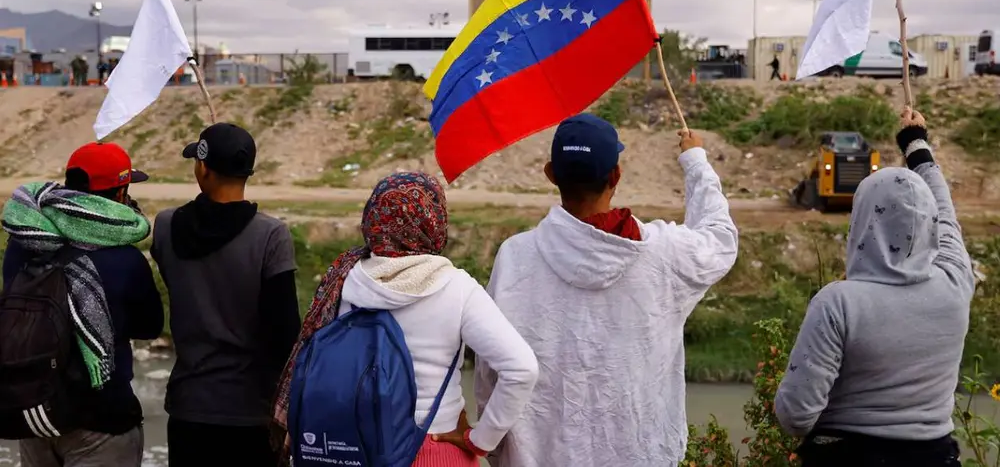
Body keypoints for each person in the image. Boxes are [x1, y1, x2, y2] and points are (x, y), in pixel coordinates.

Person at [475, 114, 739, 467]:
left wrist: (491, 443)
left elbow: (490, 368)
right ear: (616, 176)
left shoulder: (515, 257)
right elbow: (720, 239)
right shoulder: (663, 252)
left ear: (550, 174)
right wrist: (694, 161)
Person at [272, 172, 538, 467]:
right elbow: (521, 368)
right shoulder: (457, 288)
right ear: (434, 220)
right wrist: (482, 439)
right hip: (433, 448)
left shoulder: (344, 280)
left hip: (348, 449)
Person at [774, 107, 971, 467]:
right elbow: (947, 214)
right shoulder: (955, 283)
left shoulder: (838, 304)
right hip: (937, 457)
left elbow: (795, 416)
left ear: (863, 221)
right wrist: (916, 144)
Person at [0, 143, 163, 467]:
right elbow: (150, 326)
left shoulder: (22, 242)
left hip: (35, 413)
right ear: (120, 194)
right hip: (103, 418)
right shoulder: (124, 259)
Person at [151, 122, 301, 467]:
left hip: (190, 408)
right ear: (247, 171)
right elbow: (286, 337)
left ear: (202, 167)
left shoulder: (166, 226)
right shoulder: (270, 235)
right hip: (252, 411)